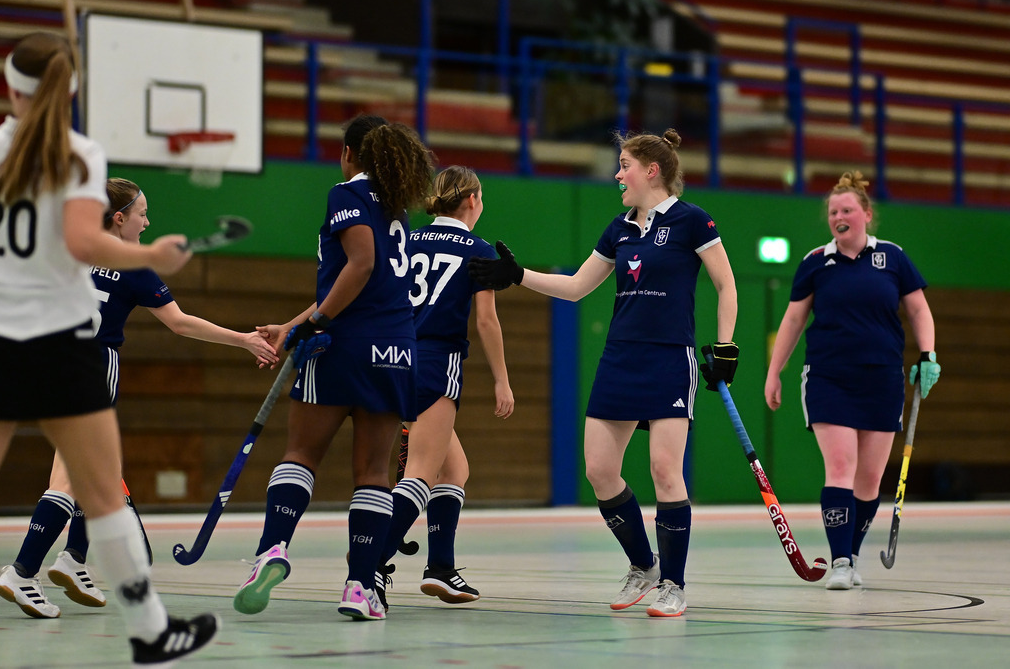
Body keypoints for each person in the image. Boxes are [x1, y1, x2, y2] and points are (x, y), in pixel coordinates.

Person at [0, 32, 218, 665]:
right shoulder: (81, 155)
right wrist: (151, 255)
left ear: (10, 89)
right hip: (62, 344)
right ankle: (148, 630)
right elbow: (85, 245)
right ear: (72, 91)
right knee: (102, 491)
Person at [469, 128, 738, 618]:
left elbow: (726, 283)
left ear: (651, 171)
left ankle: (674, 584)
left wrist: (726, 345)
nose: (618, 174)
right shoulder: (618, 228)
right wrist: (518, 276)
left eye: (624, 165)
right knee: (598, 469)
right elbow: (575, 287)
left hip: (668, 358)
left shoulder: (692, 221)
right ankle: (644, 565)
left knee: (664, 470)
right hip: (620, 359)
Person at [0, 176, 278, 620]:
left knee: (102, 473)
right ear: (120, 218)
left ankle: (72, 560)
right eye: (142, 214)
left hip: (46, 361)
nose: (148, 222)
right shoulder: (132, 265)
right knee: (71, 478)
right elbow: (181, 324)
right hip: (91, 364)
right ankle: (22, 572)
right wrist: (243, 340)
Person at [232, 114, 436, 621]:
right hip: (395, 350)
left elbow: (359, 267)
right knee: (372, 475)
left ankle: (272, 550)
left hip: (340, 345)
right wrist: (292, 324)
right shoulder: (395, 207)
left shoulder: (346, 193)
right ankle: (359, 585)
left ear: (349, 153)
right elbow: (361, 280)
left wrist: (315, 322)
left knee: (301, 455)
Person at [764, 171, 939, 590]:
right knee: (841, 465)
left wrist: (929, 355)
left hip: (881, 379)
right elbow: (793, 319)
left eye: (846, 210)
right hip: (829, 377)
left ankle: (853, 552)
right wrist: (774, 371)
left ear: (866, 215)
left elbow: (918, 311)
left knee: (870, 480)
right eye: (832, 212)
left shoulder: (893, 258)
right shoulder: (814, 262)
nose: (838, 217)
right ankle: (840, 560)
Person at [376, 165, 515, 609]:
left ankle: (440, 568)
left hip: (391, 358)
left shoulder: (408, 240)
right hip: (436, 362)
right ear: (472, 200)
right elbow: (488, 320)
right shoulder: (477, 250)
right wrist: (502, 380)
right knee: (420, 471)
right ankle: (368, 564)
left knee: (454, 471)